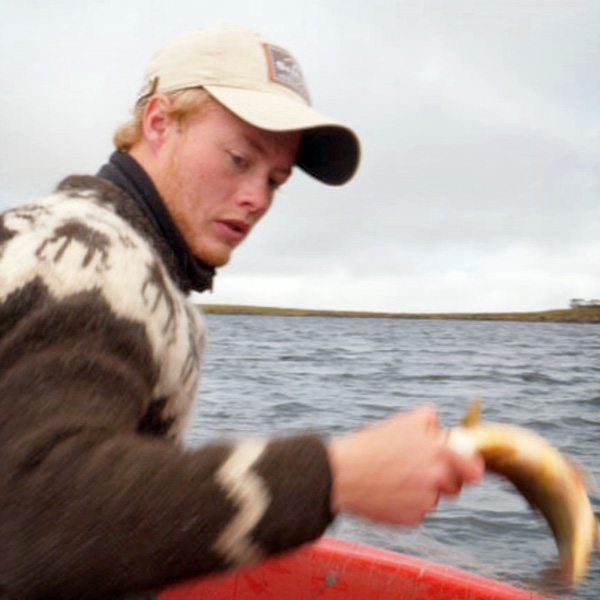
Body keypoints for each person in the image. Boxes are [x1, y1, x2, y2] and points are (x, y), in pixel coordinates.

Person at [0, 24, 483, 600]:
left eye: (275, 180)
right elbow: (35, 513)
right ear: (158, 122)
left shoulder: (61, 234)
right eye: (238, 158)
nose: (257, 198)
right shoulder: (94, 262)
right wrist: (337, 476)